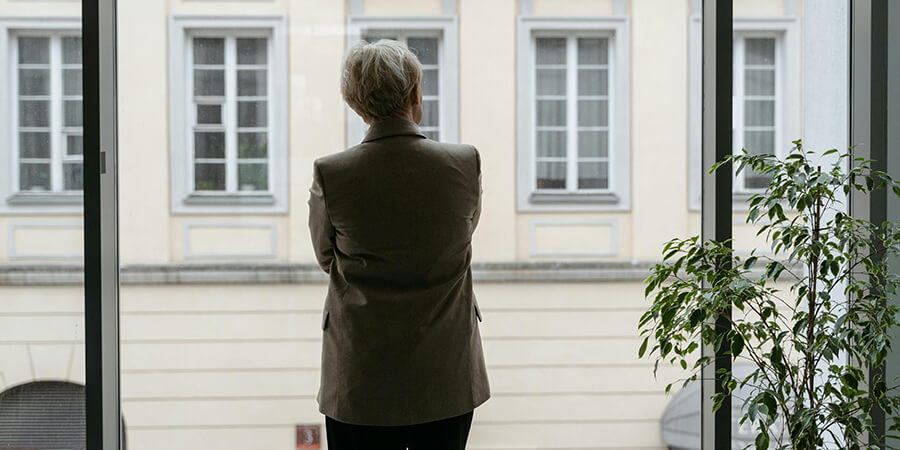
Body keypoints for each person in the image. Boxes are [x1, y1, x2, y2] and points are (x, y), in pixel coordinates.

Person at [307, 39, 490, 450]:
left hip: (360, 376)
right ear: (415, 94)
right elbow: (461, 235)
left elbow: (325, 254)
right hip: (446, 372)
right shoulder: (464, 163)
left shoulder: (332, 173)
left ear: (357, 106)